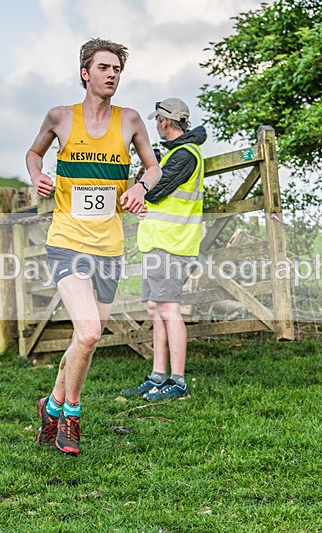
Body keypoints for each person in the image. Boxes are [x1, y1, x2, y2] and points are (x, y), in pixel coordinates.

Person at [26, 38, 162, 456]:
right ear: (85, 73)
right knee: (87, 334)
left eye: (117, 69)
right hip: (66, 242)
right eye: (104, 68)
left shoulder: (131, 121)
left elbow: (153, 167)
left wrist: (140, 186)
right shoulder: (60, 117)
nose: (112, 75)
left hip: (109, 247)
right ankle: (71, 414)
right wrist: (38, 177)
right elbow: (34, 153)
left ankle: (49, 405)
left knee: (85, 339)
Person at [121, 98, 206, 401]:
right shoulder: (174, 154)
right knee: (156, 308)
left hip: (173, 243)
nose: (156, 124)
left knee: (169, 309)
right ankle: (159, 377)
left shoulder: (184, 155)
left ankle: (178, 382)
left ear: (165, 122)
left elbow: (155, 190)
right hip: (160, 241)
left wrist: (144, 185)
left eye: (157, 119)